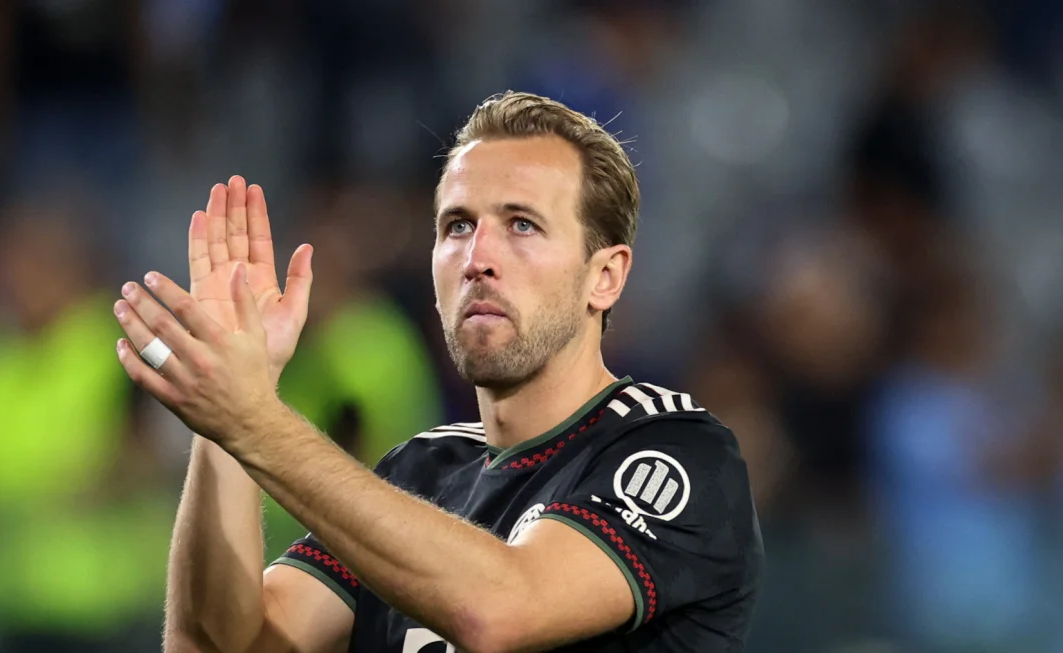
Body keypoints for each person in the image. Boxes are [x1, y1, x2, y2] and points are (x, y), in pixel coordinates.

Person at [111, 92, 763, 652]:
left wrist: (251, 417)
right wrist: (223, 412)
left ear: (604, 277)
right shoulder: (420, 472)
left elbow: (500, 607)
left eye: (522, 225)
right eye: (457, 226)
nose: (478, 256)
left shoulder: (676, 454)